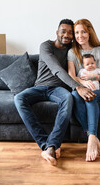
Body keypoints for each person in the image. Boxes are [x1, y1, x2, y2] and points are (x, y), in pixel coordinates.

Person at [14, 19, 95, 166]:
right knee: (19, 98)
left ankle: (51, 146)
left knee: (68, 98)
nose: (67, 35)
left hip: (58, 90)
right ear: (57, 32)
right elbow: (56, 69)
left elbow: (87, 56)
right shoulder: (46, 46)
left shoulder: (72, 50)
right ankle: (48, 145)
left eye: (70, 33)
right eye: (63, 31)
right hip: (39, 87)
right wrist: (78, 87)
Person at [68, 19, 100, 162]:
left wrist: (93, 76)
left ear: (89, 32)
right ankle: (92, 137)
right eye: (77, 32)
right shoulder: (72, 52)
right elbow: (71, 75)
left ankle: (91, 137)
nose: (80, 35)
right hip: (82, 87)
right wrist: (83, 82)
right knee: (75, 95)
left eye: (83, 32)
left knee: (90, 96)